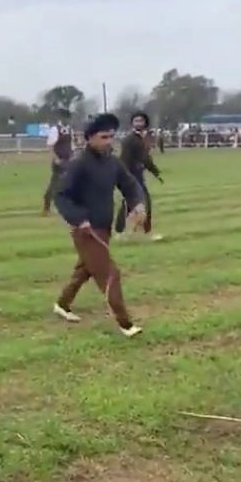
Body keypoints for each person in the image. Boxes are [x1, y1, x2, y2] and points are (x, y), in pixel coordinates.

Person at [53, 113, 147, 338]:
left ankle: (62, 304)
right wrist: (79, 218)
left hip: (104, 227)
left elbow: (130, 185)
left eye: (111, 136)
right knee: (109, 273)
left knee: (85, 270)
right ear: (89, 138)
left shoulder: (113, 163)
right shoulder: (78, 164)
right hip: (86, 231)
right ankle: (126, 324)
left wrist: (138, 205)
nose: (109, 141)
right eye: (103, 137)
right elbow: (61, 196)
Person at [114, 111, 164, 241]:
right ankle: (145, 233)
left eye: (141, 121)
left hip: (137, 175)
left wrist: (155, 172)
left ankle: (120, 232)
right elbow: (126, 159)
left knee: (128, 205)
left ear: (145, 123)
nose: (138, 123)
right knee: (142, 203)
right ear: (132, 123)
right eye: (136, 121)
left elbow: (145, 158)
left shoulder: (142, 138)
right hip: (130, 176)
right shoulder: (129, 140)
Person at [42, 111, 74, 216]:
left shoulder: (69, 129)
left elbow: (71, 145)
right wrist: (56, 159)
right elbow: (50, 145)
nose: (67, 120)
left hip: (68, 160)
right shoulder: (55, 129)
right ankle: (47, 205)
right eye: (65, 118)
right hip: (59, 161)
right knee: (55, 183)